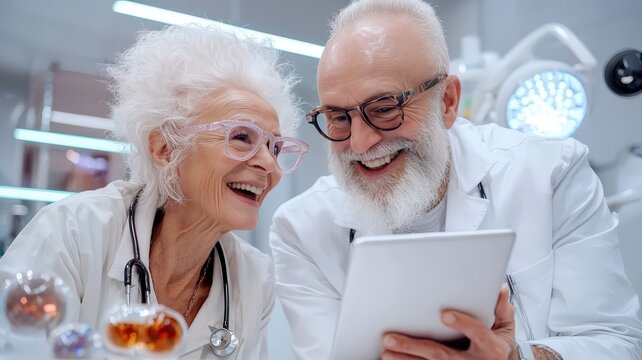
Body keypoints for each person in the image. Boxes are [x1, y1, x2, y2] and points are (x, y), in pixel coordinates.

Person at [268, 0, 642, 359]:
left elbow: (616, 343)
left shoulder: (549, 173)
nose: (361, 143)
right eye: (338, 117)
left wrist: (515, 359)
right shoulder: (302, 229)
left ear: (447, 102)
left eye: (384, 109)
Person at [0, 24, 308, 359]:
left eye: (275, 147)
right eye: (241, 137)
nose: (269, 164)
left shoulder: (253, 278)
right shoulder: (72, 232)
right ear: (165, 149)